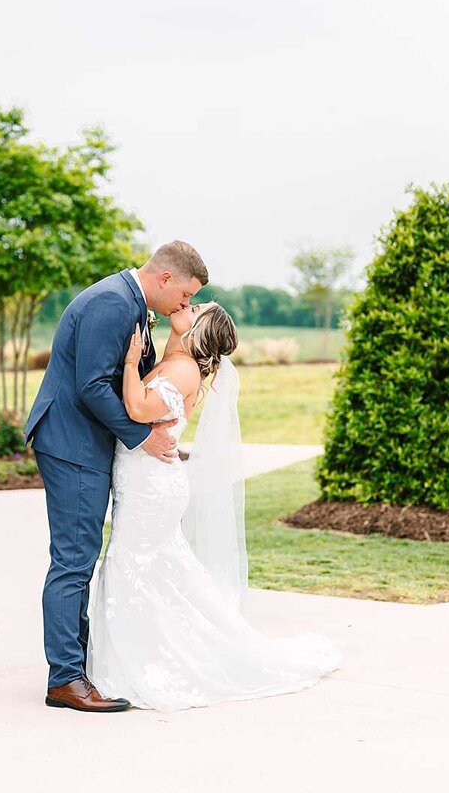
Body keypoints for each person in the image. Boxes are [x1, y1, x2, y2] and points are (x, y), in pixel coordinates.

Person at [85, 301, 345, 712]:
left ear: (201, 327)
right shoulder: (179, 360)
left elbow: (136, 408)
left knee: (133, 565)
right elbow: (156, 385)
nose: (188, 305)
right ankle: (148, 653)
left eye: (197, 306)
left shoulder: (183, 370)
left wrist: (132, 362)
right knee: (153, 568)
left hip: (151, 486)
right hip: (144, 481)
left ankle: (149, 662)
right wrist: (159, 342)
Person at [25, 240, 207, 713]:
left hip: (81, 443)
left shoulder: (130, 302)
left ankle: (78, 668)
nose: (184, 305)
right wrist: (141, 438)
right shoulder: (112, 303)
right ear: (165, 278)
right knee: (73, 559)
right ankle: (65, 679)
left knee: (78, 556)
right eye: (185, 296)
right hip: (72, 444)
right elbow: (91, 387)